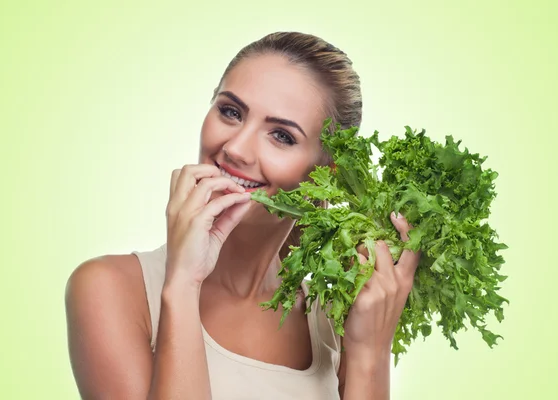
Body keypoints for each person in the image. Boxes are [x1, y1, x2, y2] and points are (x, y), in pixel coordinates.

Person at [65, 31, 421, 400]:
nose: (235, 148)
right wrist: (184, 282)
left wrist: (370, 355)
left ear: (325, 172)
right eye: (230, 112)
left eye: (281, 135)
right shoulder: (110, 290)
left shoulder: (334, 321)